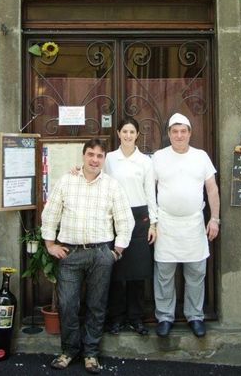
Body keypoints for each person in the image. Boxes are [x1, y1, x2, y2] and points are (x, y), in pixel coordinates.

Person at [41, 138, 134, 374]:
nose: (94, 159)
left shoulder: (111, 186)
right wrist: (50, 245)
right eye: (91, 154)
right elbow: (51, 213)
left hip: (101, 254)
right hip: (70, 254)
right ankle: (69, 350)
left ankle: (91, 353)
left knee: (97, 305)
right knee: (68, 304)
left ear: (104, 159)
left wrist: (117, 250)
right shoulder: (66, 181)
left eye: (99, 156)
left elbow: (125, 220)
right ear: (83, 156)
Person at [152, 113, 220, 339]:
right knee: (164, 275)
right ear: (169, 134)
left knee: (195, 273)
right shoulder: (159, 157)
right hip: (166, 225)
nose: (179, 135)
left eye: (183, 131)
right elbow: (148, 190)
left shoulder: (201, 157)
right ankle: (164, 317)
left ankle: (195, 316)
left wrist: (215, 218)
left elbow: (212, 189)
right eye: (175, 131)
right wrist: (152, 221)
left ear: (190, 133)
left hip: (193, 224)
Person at [104, 117, 157, 336]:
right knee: (116, 272)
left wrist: (153, 223)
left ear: (137, 135)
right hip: (114, 216)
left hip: (139, 217)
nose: (128, 135)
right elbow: (103, 186)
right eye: (124, 131)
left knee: (137, 273)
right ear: (118, 133)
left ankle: (136, 318)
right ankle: (116, 318)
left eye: (132, 132)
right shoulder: (109, 158)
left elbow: (150, 193)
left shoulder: (145, 161)